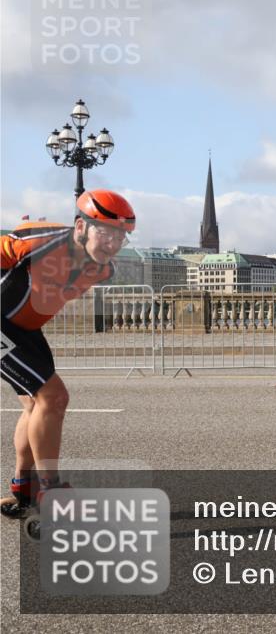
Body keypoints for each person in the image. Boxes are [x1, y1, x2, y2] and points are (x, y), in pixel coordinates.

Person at [1, 190, 135, 518]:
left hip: (24, 330)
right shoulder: (41, 241)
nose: (113, 243)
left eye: (121, 236)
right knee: (54, 397)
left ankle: (25, 485)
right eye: (105, 232)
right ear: (80, 227)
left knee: (37, 404)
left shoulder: (103, 270)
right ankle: (50, 488)